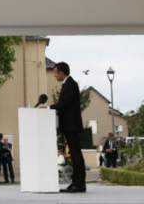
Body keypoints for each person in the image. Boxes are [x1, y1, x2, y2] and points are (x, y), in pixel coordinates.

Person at [50, 62, 86, 193]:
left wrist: (49, 108)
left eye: (55, 72)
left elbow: (64, 104)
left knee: (76, 155)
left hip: (72, 126)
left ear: (61, 72)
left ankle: (79, 184)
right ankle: (75, 183)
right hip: (69, 126)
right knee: (74, 155)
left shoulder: (71, 84)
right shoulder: (67, 84)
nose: (54, 75)